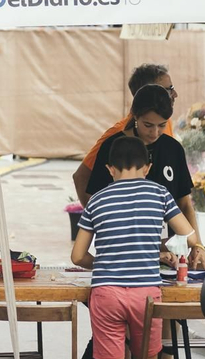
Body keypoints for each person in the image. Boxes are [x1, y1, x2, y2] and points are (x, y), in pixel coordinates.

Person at [71, 134, 205, 359]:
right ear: (147, 167)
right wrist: (181, 250)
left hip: (107, 295)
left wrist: (104, 262)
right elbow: (188, 236)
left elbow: (77, 256)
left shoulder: (97, 200)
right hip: (147, 298)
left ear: (110, 168)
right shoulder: (159, 194)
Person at [81, 83, 198, 241]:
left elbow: (184, 204)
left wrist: (197, 246)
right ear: (135, 116)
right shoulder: (112, 147)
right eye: (148, 125)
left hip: (170, 246)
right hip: (123, 242)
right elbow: (95, 199)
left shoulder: (173, 149)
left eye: (162, 125)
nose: (155, 133)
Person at [73, 63, 174, 204]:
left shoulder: (166, 123)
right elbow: (81, 177)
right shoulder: (117, 136)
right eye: (168, 90)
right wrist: (98, 215)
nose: (174, 95)